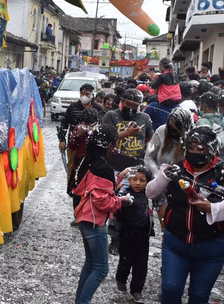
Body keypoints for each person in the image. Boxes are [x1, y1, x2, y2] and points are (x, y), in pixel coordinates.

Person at [146, 126, 224, 303]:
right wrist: (163, 176)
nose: (195, 152)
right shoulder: (175, 169)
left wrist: (212, 208)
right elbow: (150, 192)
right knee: (170, 290)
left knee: (199, 296)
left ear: (211, 150)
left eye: (201, 149)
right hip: (176, 243)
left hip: (212, 245)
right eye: (191, 148)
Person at [72, 125, 131, 304]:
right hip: (93, 222)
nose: (116, 148)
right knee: (101, 269)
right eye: (115, 144)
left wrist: (117, 181)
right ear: (109, 144)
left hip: (84, 218)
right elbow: (103, 202)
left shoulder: (87, 159)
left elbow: (92, 190)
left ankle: (79, 301)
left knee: (91, 264)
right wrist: (123, 201)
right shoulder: (102, 167)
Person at [114, 166, 153, 304]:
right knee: (125, 260)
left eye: (142, 180)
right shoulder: (125, 193)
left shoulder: (149, 196)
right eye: (134, 179)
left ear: (148, 182)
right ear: (129, 180)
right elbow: (114, 199)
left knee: (141, 265)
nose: (138, 183)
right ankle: (121, 278)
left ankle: (136, 290)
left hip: (143, 235)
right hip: (127, 233)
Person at [101, 88, 153, 172]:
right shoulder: (111, 115)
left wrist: (148, 147)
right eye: (128, 104)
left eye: (134, 106)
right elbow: (105, 139)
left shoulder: (145, 117)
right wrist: (126, 133)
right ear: (122, 101)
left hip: (138, 166)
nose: (131, 108)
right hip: (115, 166)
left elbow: (149, 139)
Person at [59, 83, 104, 179]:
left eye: (87, 94)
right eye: (82, 94)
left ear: (92, 95)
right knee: (72, 167)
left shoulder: (98, 109)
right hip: (74, 144)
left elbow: (102, 126)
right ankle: (71, 187)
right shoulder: (73, 107)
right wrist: (62, 140)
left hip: (92, 146)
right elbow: (64, 124)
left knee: (89, 169)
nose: (84, 96)